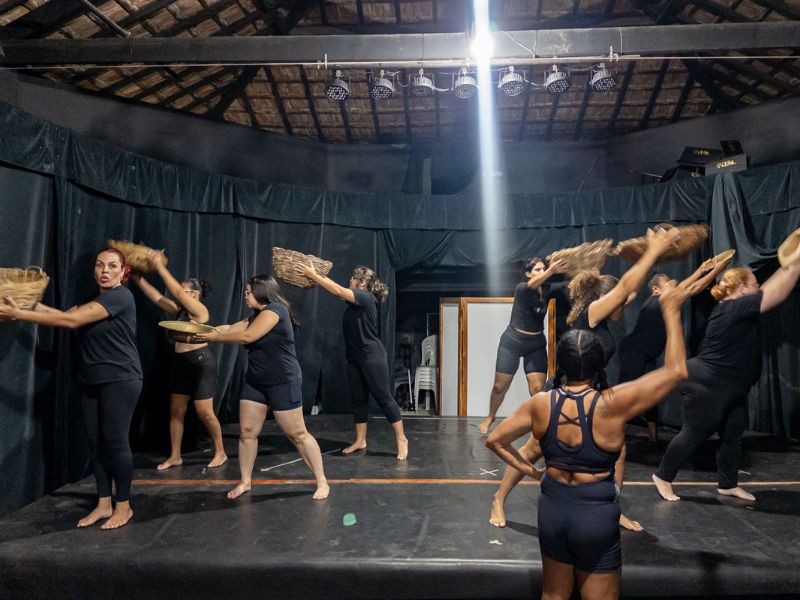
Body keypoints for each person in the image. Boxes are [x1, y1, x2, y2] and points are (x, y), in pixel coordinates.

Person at [486, 284, 690, 600]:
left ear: (562, 365)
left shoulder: (541, 402)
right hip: (594, 515)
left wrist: (530, 471)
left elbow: (495, 440)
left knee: (553, 596)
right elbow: (676, 371)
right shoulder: (613, 403)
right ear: (599, 366)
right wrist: (673, 311)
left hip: (552, 509)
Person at [489, 228, 681, 531]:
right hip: (565, 387)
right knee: (533, 449)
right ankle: (499, 498)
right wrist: (651, 252)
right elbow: (625, 289)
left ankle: (611, 507)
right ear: (606, 298)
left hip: (594, 389)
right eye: (621, 303)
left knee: (618, 451)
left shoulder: (604, 314)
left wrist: (651, 265)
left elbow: (630, 289)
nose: (626, 307)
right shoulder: (592, 312)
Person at [0, 248, 143, 529]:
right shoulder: (94, 300)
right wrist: (23, 303)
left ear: (122, 272)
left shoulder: (120, 296)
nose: (105, 270)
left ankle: (123, 507)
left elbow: (70, 321)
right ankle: (104, 503)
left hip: (121, 378)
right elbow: (60, 315)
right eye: (100, 264)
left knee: (115, 442)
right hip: (90, 378)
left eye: (112, 265)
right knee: (96, 443)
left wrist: (18, 312)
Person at [653, 255, 800, 503]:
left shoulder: (737, 307)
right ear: (742, 288)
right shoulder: (732, 308)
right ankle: (663, 476)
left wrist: (790, 265)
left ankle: (727, 484)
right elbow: (774, 294)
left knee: (733, 435)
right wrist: (796, 262)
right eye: (754, 284)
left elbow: (770, 289)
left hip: (731, 386)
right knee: (694, 433)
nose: (757, 288)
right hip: (706, 384)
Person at [197, 274, 329, 500]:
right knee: (247, 433)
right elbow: (229, 328)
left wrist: (213, 338)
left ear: (261, 291)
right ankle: (245, 481)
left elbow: (247, 337)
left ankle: (322, 480)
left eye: (248, 292)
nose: (245, 296)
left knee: (297, 433)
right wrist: (201, 332)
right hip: (256, 381)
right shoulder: (256, 316)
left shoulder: (276, 311)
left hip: (283, 380)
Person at [618, 256, 732, 443]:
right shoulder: (658, 301)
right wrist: (716, 271)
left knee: (650, 396)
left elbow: (682, 288)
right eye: (668, 283)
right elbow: (691, 288)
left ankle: (653, 440)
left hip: (644, 353)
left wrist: (702, 269)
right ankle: (613, 438)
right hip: (633, 352)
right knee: (624, 397)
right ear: (655, 290)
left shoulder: (664, 298)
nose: (673, 283)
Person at [300, 263, 408, 460]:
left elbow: (337, 290)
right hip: (355, 357)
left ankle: (401, 439)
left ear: (363, 282)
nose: (349, 279)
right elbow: (338, 292)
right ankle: (360, 440)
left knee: (384, 397)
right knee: (358, 400)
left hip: (372, 356)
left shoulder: (366, 298)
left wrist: (313, 275)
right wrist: (312, 280)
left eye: (353, 277)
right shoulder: (354, 302)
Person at [131, 251, 227, 470]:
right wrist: (137, 277)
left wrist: (159, 266)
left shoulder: (201, 311)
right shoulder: (179, 311)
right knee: (176, 411)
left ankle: (220, 451)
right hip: (181, 364)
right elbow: (157, 297)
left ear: (194, 294)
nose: (178, 295)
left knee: (204, 412)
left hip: (201, 363)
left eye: (183, 292)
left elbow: (173, 290)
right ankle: (175, 456)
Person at [479, 257, 568, 435]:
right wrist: (551, 271)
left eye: (544, 269)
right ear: (528, 274)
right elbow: (531, 286)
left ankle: (541, 424)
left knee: (537, 390)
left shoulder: (548, 289)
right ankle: (490, 416)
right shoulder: (522, 288)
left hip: (536, 344)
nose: (542, 272)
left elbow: (571, 283)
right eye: (537, 270)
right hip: (512, 342)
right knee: (499, 387)